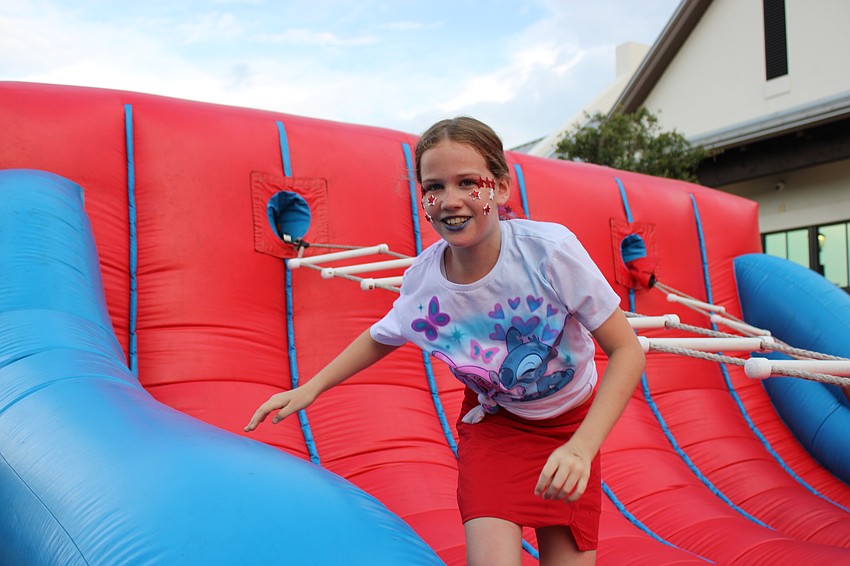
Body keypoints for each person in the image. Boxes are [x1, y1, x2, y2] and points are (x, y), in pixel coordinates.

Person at [245, 116, 645, 565]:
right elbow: (382, 336)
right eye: (434, 187)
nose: (450, 200)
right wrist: (310, 388)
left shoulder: (548, 252)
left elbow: (626, 350)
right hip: (497, 426)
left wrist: (582, 447)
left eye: (468, 182)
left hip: (572, 425)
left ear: (500, 188)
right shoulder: (425, 283)